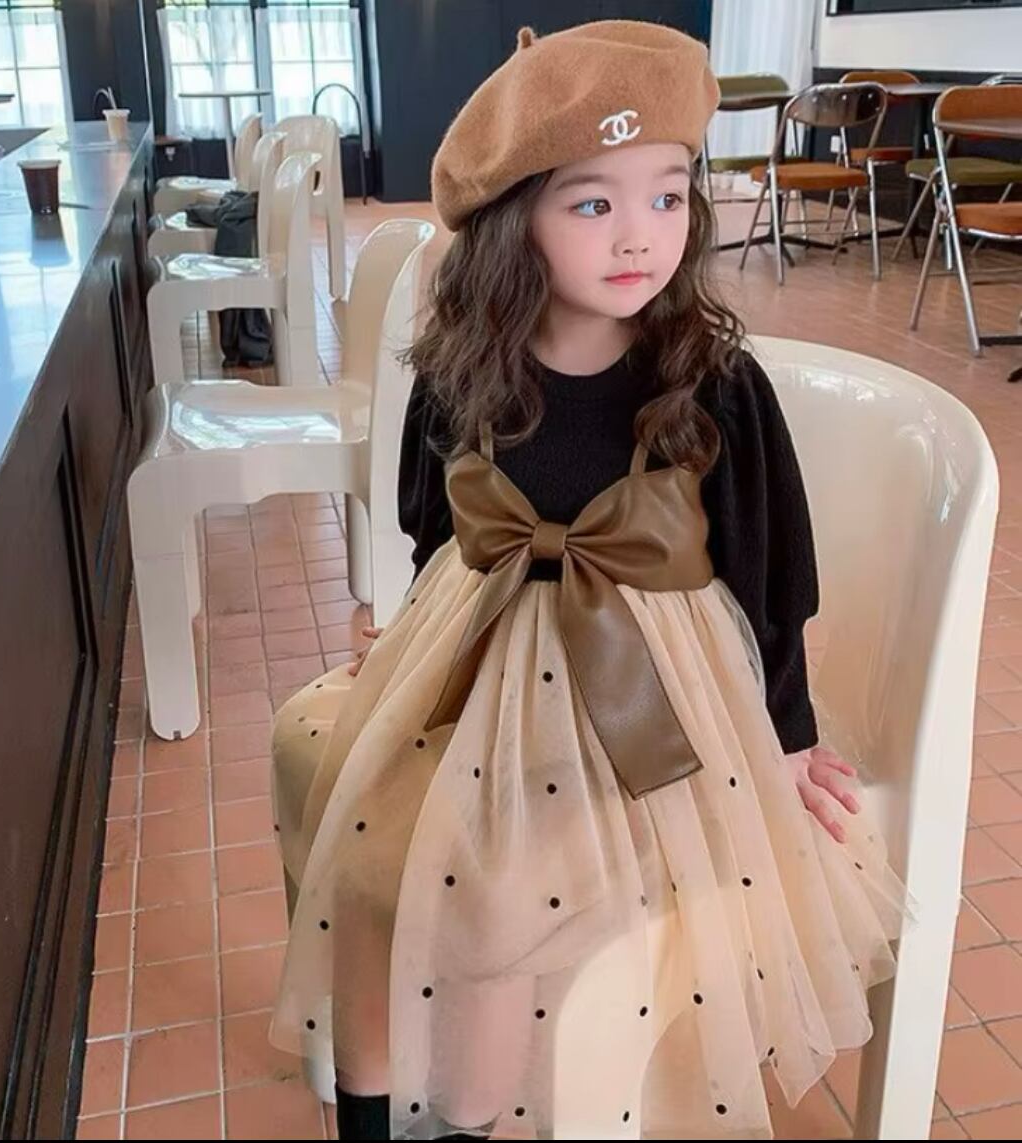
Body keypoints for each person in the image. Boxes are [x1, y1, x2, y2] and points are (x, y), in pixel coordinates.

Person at [268, 21, 905, 1140]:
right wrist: (404, 641)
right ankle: (377, 1098)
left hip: (657, 704)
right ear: (513, 221)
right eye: (593, 202)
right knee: (367, 832)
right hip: (482, 664)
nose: (639, 234)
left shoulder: (712, 385)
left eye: (667, 196)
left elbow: (774, 574)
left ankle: (470, 1109)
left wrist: (788, 736)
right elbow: (438, 537)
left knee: (495, 882)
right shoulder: (461, 379)